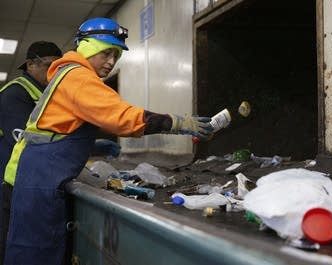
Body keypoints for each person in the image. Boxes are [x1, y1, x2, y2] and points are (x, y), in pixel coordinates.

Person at [2, 17, 213, 265]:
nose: (111, 62)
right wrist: (177, 123)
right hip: (38, 180)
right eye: (106, 53)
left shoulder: (69, 75)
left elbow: (96, 117)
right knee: (36, 253)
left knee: (35, 249)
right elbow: (119, 117)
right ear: (89, 47)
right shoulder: (78, 77)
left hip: (36, 175)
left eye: (116, 55)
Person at [0, 41, 62, 264]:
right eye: (49, 66)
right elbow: (29, 140)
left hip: (27, 180)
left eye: (59, 68)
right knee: (9, 242)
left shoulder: (42, 94)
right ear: (30, 64)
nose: (53, 73)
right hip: (8, 181)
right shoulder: (15, 94)